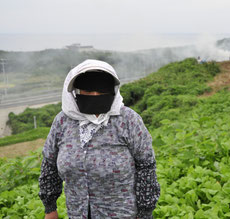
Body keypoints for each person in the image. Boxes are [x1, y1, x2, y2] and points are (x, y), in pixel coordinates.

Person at [38, 59, 160, 219]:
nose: (95, 96)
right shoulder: (62, 122)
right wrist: (50, 208)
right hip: (77, 214)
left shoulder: (128, 120)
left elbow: (146, 166)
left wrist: (144, 212)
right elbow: (50, 165)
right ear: (76, 93)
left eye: (101, 91)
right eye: (88, 92)